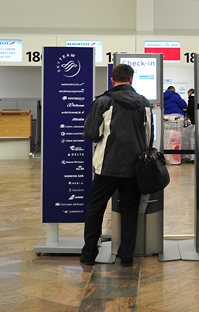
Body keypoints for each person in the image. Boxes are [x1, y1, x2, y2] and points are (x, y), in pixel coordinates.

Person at [80, 64, 152, 267]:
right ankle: (127, 257)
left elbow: (91, 134)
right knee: (130, 212)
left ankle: (89, 255)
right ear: (131, 80)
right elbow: (149, 137)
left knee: (96, 209)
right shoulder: (144, 103)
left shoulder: (103, 102)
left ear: (112, 80)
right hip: (134, 168)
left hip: (107, 166)